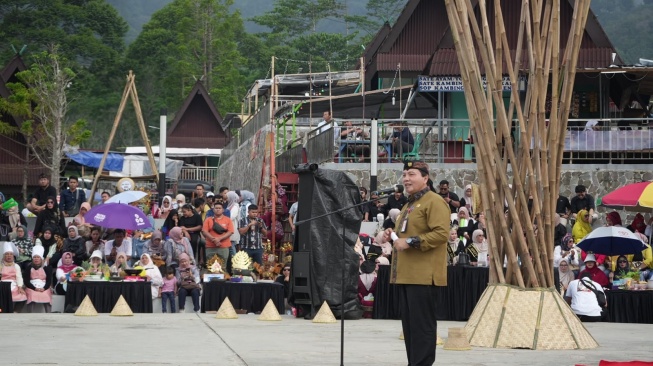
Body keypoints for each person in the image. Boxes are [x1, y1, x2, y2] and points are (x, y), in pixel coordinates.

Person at [382, 160, 449, 365]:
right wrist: (392, 234)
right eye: (404, 174)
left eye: (411, 174)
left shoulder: (434, 201)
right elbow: (406, 233)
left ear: (425, 178)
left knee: (422, 329)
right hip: (407, 274)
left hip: (423, 276)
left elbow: (441, 234)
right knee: (411, 329)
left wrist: (409, 242)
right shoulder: (409, 204)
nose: (406, 179)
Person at [23, 245, 53, 312]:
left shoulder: (46, 268)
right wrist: (34, 288)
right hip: (31, 287)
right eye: (35, 257)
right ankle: (29, 314)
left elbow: (48, 281)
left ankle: (49, 314)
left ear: (41, 259)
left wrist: (44, 288)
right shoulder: (28, 268)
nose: (36, 259)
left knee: (46, 295)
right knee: (32, 294)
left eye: (38, 257)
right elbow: (26, 281)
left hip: (44, 286)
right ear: (32, 259)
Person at [2, 242, 28, 311]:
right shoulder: (0, 266)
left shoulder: (16, 266)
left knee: (23, 296)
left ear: (13, 256)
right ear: (4, 256)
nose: (9, 256)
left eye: (11, 254)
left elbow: (19, 277)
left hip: (13, 285)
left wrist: (20, 287)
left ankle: (15, 312)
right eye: (7, 254)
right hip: (2, 286)